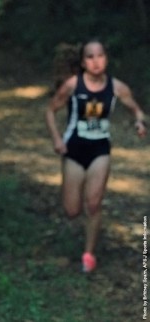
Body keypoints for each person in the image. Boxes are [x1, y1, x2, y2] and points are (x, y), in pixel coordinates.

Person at [45, 39, 147, 273]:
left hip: (100, 150)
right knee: (72, 210)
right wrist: (57, 139)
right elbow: (50, 110)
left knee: (93, 203)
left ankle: (89, 254)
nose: (96, 61)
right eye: (90, 57)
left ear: (106, 59)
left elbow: (135, 108)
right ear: (83, 62)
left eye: (100, 56)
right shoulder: (72, 85)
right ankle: (83, 229)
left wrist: (139, 122)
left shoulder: (117, 87)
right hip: (73, 150)